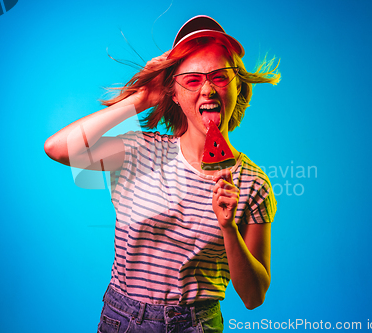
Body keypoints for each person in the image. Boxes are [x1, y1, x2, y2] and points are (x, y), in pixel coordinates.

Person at [44, 15, 280, 333]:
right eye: (192, 80)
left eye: (220, 77)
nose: (208, 89)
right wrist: (141, 98)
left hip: (197, 324)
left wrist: (228, 229)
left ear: (237, 85)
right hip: (123, 319)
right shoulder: (136, 151)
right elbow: (57, 147)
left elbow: (253, 297)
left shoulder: (253, 183)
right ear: (174, 93)